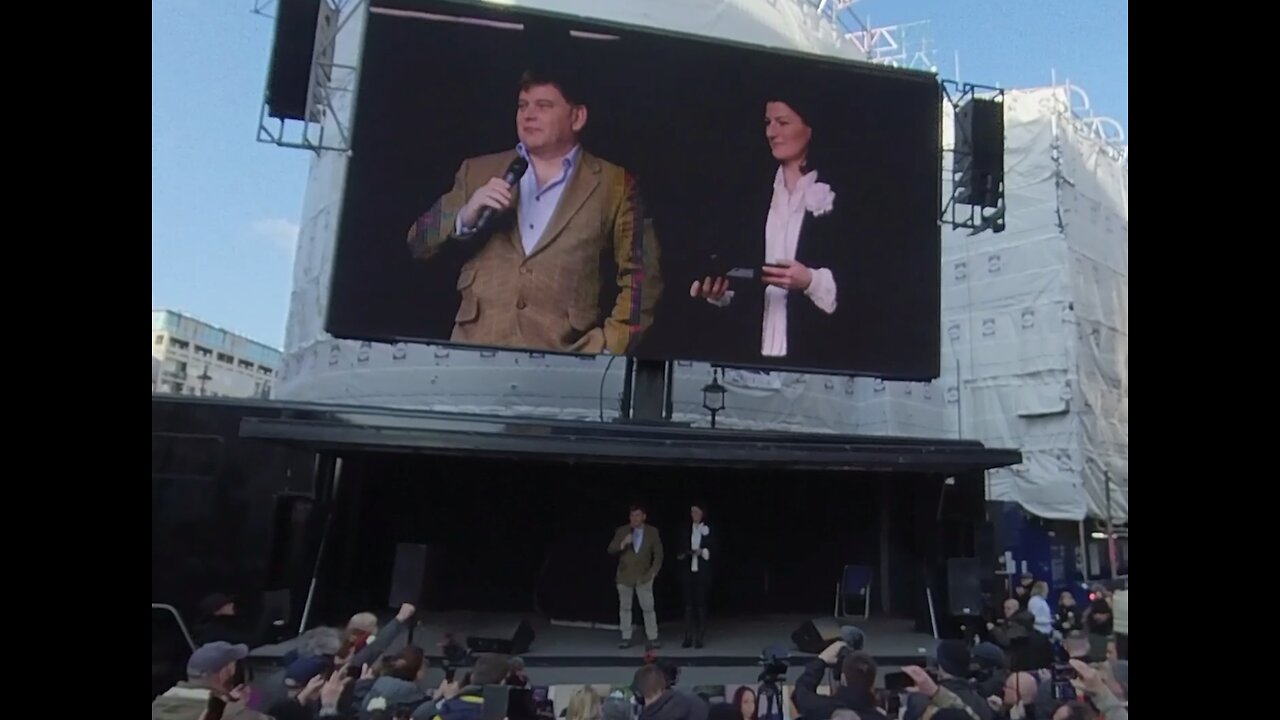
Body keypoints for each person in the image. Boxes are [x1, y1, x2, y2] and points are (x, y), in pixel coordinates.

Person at [406, 67, 663, 356]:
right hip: (473, 351)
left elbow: (642, 278)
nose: (528, 115)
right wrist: (465, 215)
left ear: (577, 117)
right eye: (522, 106)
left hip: (566, 360)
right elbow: (419, 240)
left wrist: (608, 347)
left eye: (543, 106)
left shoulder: (614, 184)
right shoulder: (477, 171)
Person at [689, 95, 850, 368]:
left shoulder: (842, 193)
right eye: (768, 123)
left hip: (816, 359)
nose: (771, 132)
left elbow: (866, 282)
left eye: (783, 122)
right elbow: (740, 272)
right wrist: (720, 294)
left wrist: (810, 281)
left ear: (809, 128)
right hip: (749, 357)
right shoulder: (751, 196)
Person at [608, 505, 664, 649]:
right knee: (625, 607)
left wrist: (653, 572)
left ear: (644, 516)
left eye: (637, 515)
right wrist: (623, 543)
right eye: (632, 516)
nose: (634, 518)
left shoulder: (652, 532)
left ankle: (652, 637)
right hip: (625, 576)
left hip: (644, 576)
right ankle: (626, 636)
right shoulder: (622, 531)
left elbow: (658, 554)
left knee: (648, 607)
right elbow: (611, 549)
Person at [678, 502, 716, 648]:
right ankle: (688, 636)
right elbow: (680, 547)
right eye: (692, 512)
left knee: (700, 604)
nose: (694, 515)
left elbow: (715, 548)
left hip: (703, 571)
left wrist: (703, 552)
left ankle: (700, 636)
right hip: (688, 571)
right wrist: (685, 553)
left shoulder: (709, 529)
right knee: (688, 605)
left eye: (697, 512)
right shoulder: (685, 529)